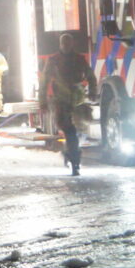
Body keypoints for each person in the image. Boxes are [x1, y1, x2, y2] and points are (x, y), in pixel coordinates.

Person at [39, 33, 98, 175]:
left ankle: (73, 156)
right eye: (64, 43)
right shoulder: (53, 60)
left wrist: (92, 92)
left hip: (77, 100)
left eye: (68, 43)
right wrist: (43, 101)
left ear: (71, 44)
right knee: (68, 130)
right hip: (61, 100)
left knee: (77, 130)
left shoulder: (79, 59)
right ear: (60, 44)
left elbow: (91, 76)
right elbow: (44, 81)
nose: (66, 45)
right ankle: (72, 156)